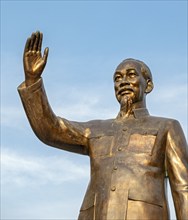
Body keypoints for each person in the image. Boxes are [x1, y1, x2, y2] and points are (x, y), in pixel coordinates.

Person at [18, 31, 188, 220]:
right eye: (117, 78)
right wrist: (32, 81)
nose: (123, 81)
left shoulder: (167, 127)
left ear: (148, 85)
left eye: (131, 75)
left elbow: (183, 188)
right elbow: (50, 130)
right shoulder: (95, 130)